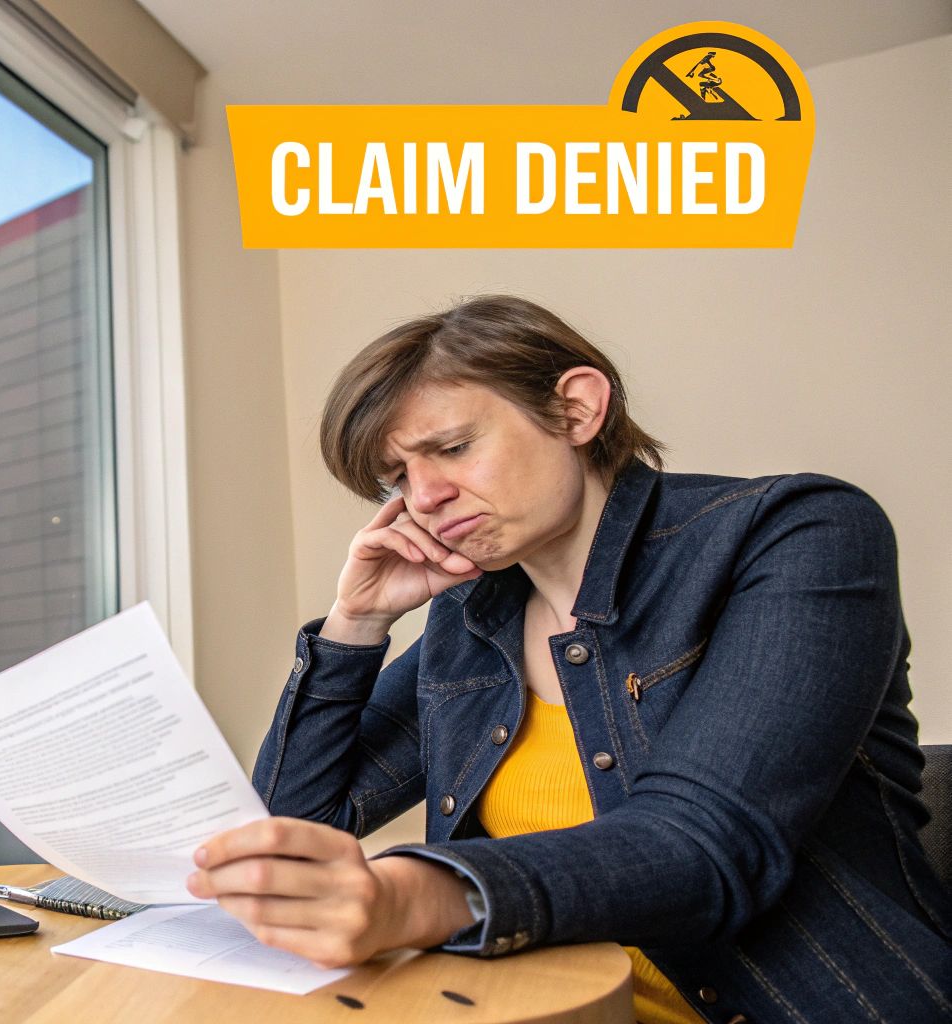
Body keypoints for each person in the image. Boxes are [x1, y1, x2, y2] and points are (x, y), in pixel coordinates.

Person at [183, 295, 951, 1023]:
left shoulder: (797, 535)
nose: (425, 498)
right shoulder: (471, 620)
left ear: (577, 408)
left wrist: (418, 895)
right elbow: (298, 826)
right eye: (397, 479)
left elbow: (703, 843)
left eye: (452, 448)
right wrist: (357, 621)